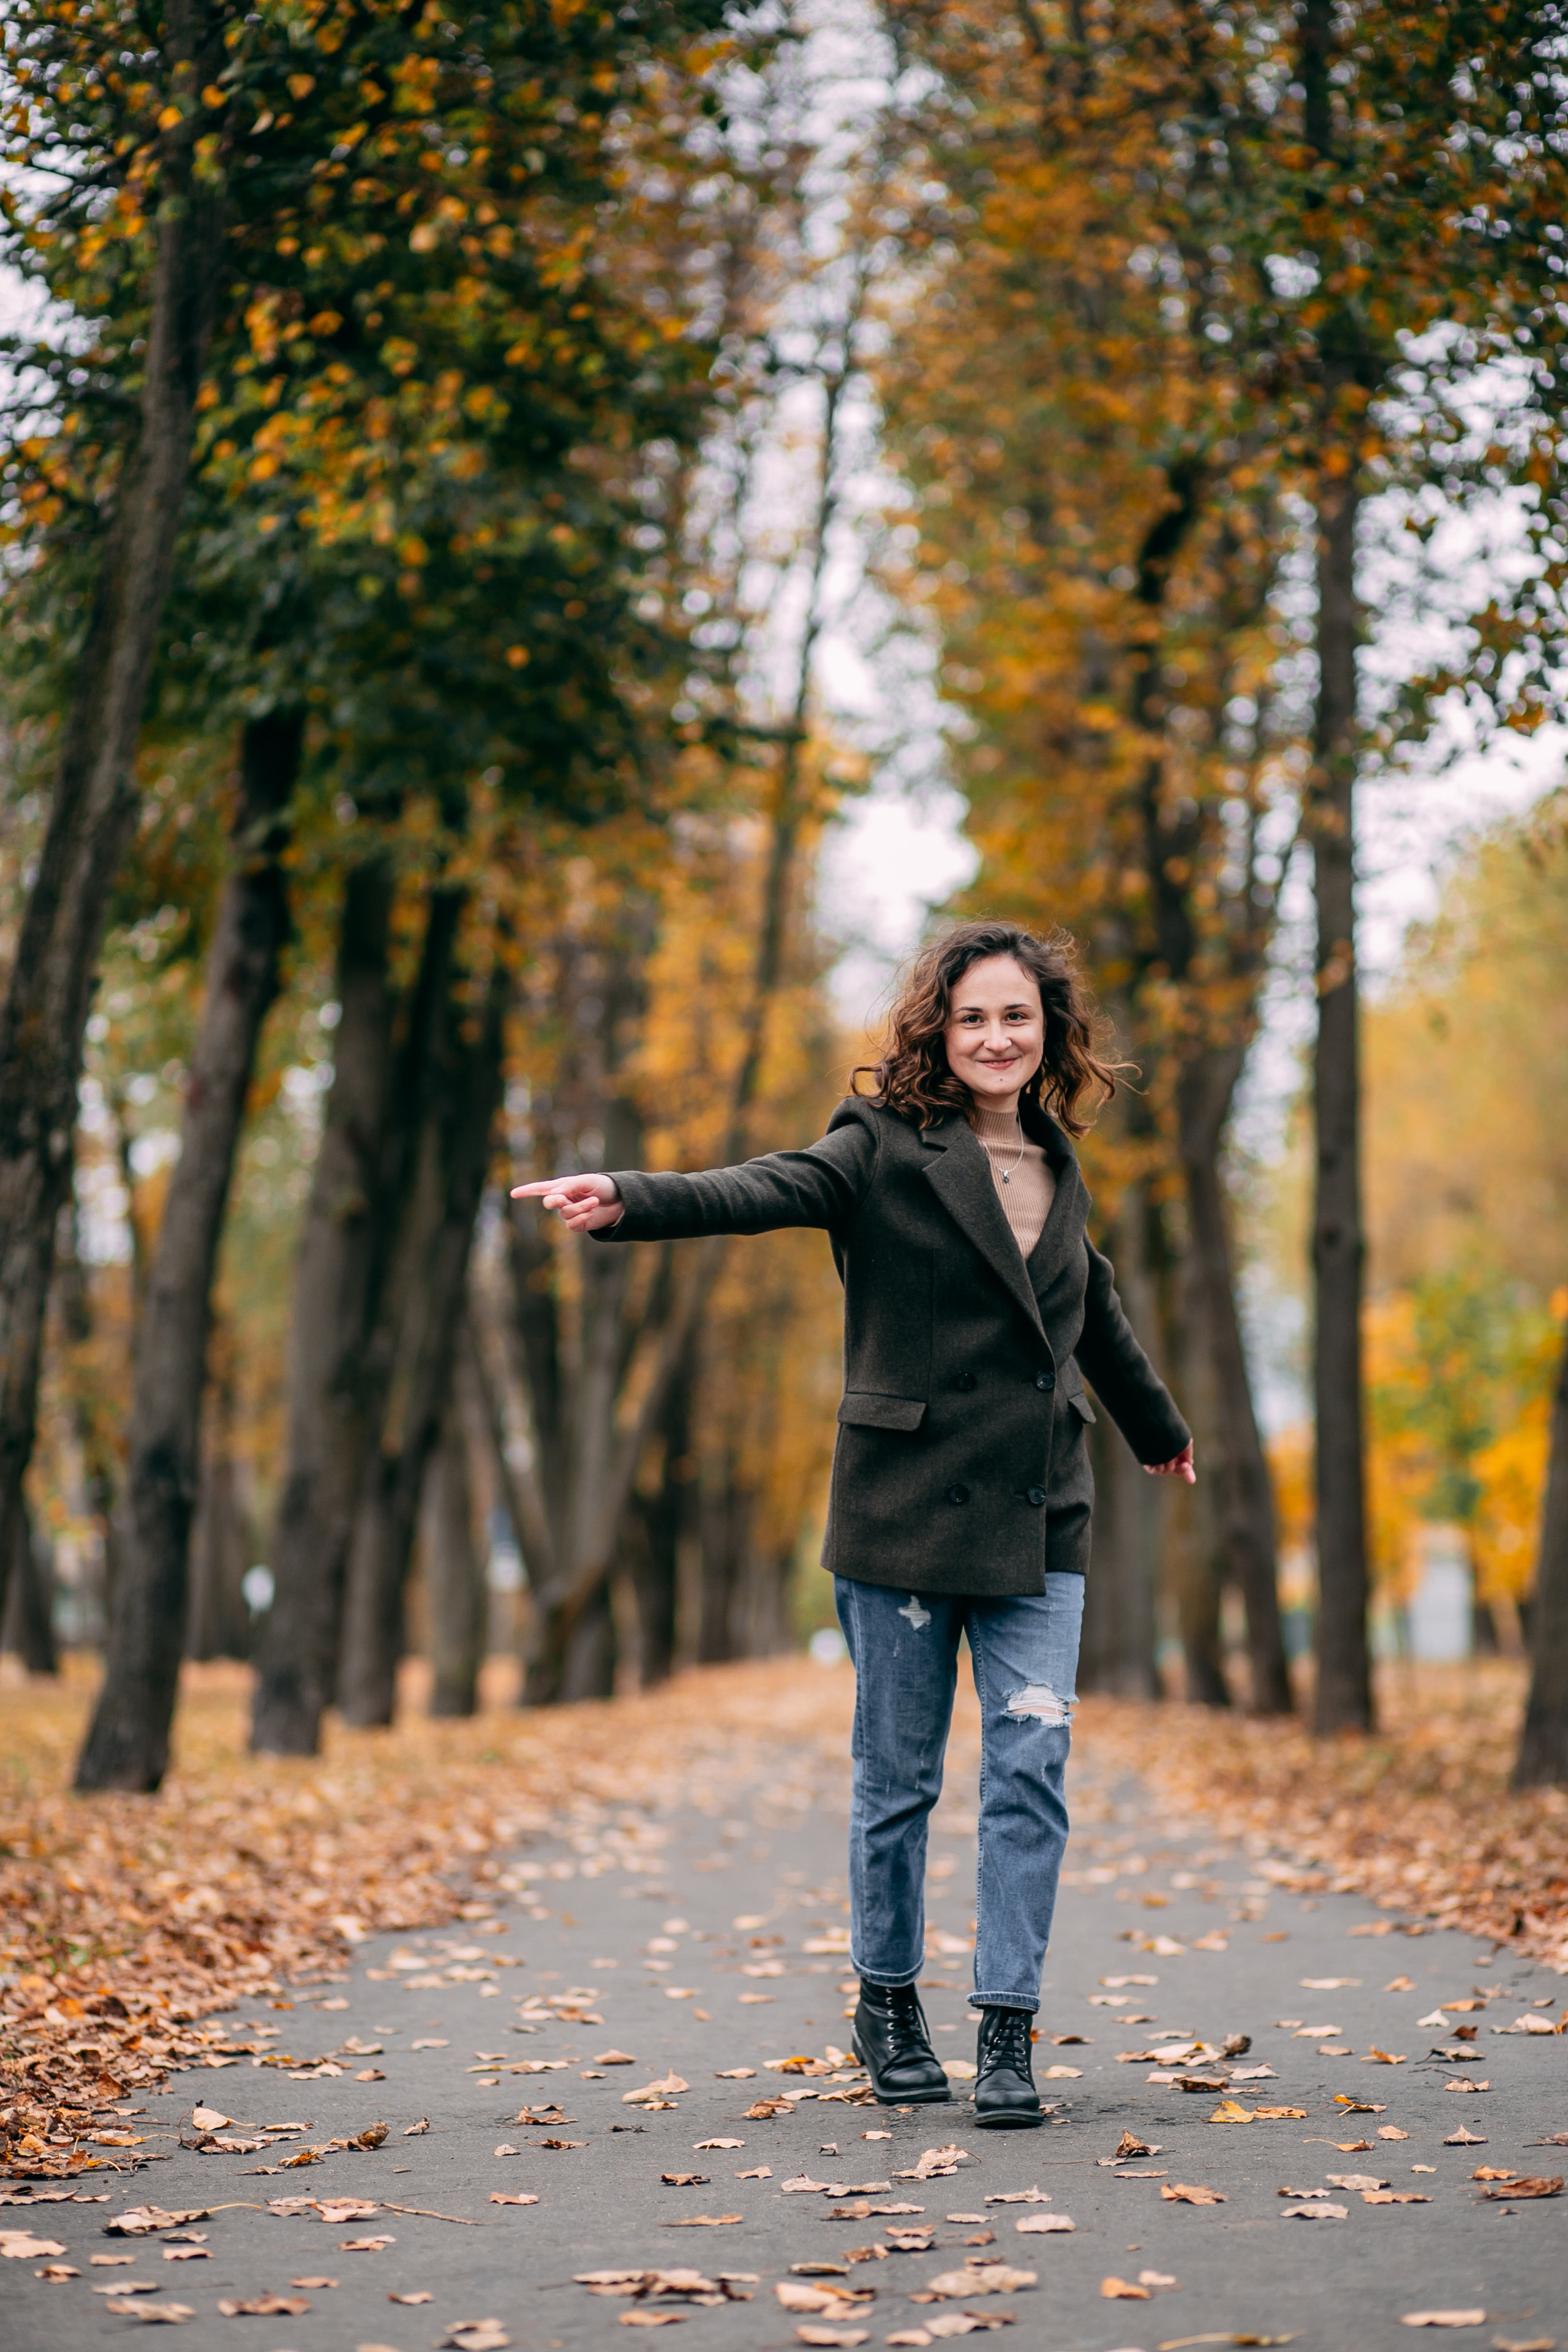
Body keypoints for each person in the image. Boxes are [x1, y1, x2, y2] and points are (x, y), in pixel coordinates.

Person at [513, 919, 1193, 2128]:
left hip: (1042, 1516)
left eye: (1017, 1016)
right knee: (896, 1780)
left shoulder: (1054, 1156)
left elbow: (1089, 1308)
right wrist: (629, 1197)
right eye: (973, 1015)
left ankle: (1006, 2028)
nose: (996, 1036)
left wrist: (1154, 1427)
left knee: (1028, 1773)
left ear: (1049, 1034)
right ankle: (886, 2002)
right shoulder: (878, 1144)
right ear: (937, 1026)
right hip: (903, 1517)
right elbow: (767, 1186)